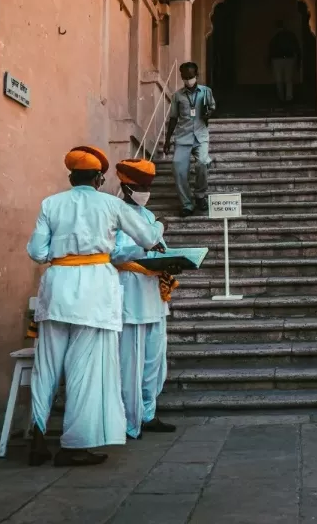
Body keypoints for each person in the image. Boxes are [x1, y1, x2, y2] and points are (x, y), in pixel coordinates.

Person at [26, 146, 163, 467]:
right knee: (84, 370)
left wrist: (61, 255)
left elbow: (36, 251)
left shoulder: (51, 203)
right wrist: (158, 229)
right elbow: (146, 237)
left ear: (71, 177)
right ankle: (74, 446)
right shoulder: (111, 204)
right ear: (100, 178)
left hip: (57, 286)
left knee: (46, 366)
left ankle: (37, 433)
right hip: (93, 293)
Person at [111, 158, 178, 440]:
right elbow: (114, 253)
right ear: (126, 186)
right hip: (130, 292)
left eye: (147, 187)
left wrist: (171, 259)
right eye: (139, 186)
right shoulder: (113, 213)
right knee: (130, 362)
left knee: (154, 362)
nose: (144, 191)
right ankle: (129, 419)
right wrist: (144, 246)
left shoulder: (149, 216)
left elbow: (159, 247)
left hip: (153, 294)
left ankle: (148, 413)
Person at [163, 62, 215, 217]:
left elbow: (212, 108)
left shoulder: (206, 92)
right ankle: (187, 204)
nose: (188, 79)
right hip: (183, 136)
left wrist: (209, 114)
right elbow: (173, 118)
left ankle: (200, 195)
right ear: (181, 76)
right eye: (185, 77)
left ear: (196, 75)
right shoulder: (177, 96)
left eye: (190, 76)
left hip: (200, 135)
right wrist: (167, 141)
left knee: (203, 162)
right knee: (178, 168)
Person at [268, 20, 300, 105]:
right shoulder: (290, 35)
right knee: (288, 80)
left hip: (277, 59)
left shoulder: (275, 36)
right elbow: (296, 47)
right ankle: (288, 98)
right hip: (288, 58)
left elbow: (271, 49)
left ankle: (281, 98)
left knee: (280, 80)